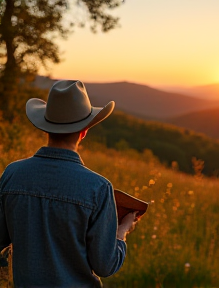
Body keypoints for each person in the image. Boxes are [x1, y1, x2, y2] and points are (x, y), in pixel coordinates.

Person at [0, 80, 138, 287]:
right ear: (84, 131)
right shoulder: (98, 188)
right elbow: (105, 266)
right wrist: (121, 231)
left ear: (45, 128)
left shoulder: (12, 174)